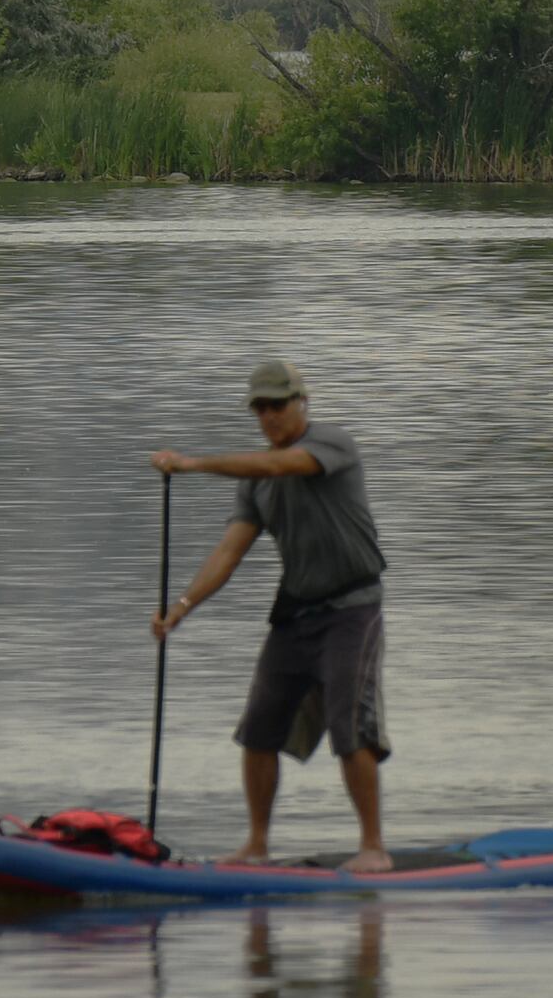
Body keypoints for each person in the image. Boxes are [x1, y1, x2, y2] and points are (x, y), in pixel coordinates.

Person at [151, 356, 392, 870]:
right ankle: (257, 845)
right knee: (257, 730)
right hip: (296, 613)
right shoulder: (254, 483)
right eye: (260, 408)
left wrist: (193, 464)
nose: (269, 417)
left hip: (353, 607)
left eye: (277, 405)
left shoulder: (332, 445)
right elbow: (228, 552)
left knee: (350, 728)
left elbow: (280, 464)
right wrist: (181, 608)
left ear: (300, 402)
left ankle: (373, 847)